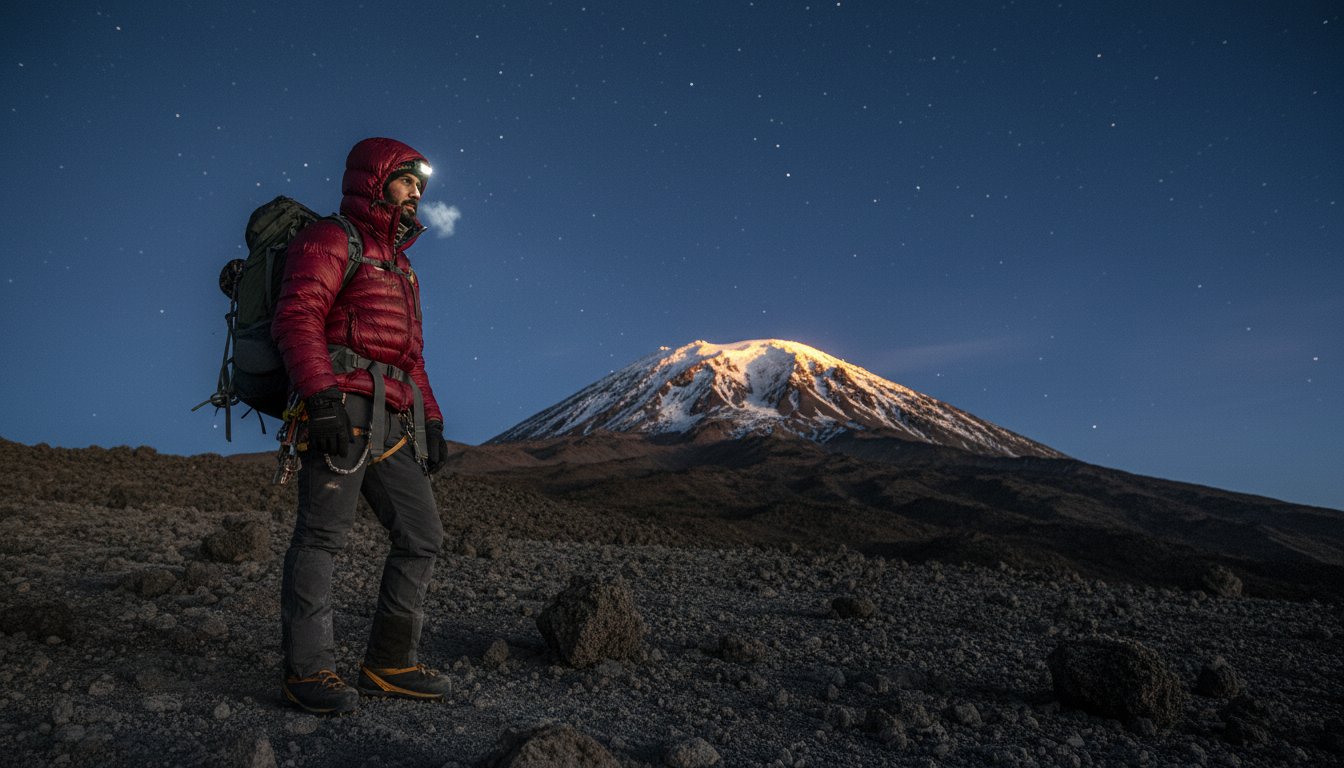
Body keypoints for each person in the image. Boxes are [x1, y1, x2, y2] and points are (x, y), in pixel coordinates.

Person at [271, 137, 451, 714]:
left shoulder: (403, 267)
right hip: (341, 407)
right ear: (375, 180)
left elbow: (411, 357)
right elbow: (297, 316)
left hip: (392, 417)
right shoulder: (331, 238)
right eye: (406, 180)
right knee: (322, 536)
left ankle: (389, 664)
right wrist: (320, 397)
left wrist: (432, 420)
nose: (416, 192)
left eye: (420, 184)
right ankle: (308, 672)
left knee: (422, 536)